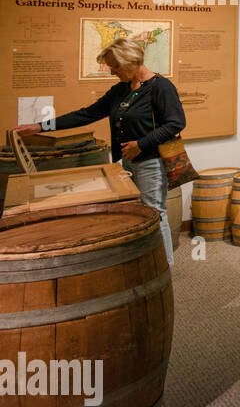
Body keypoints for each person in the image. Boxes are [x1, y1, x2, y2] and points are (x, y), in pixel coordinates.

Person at [15, 38, 185, 266]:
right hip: (128, 162)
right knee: (141, 214)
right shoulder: (121, 90)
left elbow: (176, 123)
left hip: (151, 162)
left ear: (131, 61)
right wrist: (39, 127)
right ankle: (148, 262)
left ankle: (164, 266)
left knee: (155, 214)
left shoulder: (161, 87)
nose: (112, 71)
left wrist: (141, 144)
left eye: (115, 66)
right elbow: (86, 114)